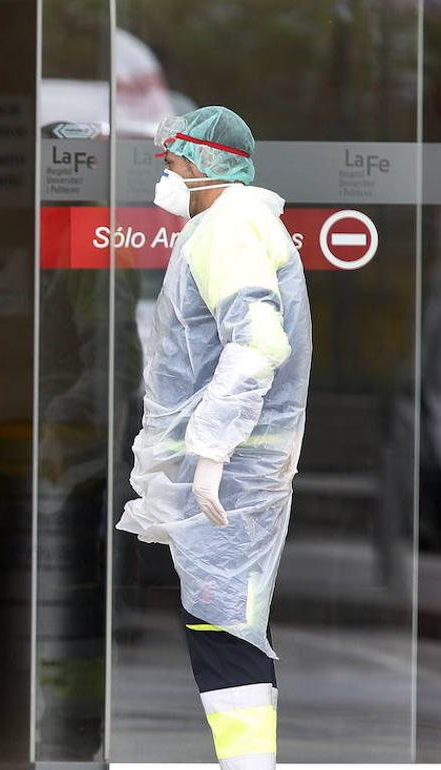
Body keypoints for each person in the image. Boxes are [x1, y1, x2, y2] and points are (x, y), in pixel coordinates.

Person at [117, 106, 312, 770]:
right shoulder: (240, 224)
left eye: (169, 162)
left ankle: (249, 765)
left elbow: (256, 342)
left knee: (224, 623)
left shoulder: (226, 229)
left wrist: (210, 452)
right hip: (240, 462)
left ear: (199, 163)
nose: (165, 176)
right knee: (226, 619)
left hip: (231, 468)